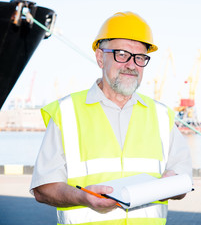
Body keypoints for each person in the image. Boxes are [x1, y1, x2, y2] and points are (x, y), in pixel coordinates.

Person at [30, 12, 192, 225]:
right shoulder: (66, 112)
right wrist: (83, 198)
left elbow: (182, 182)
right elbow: (43, 189)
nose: (132, 65)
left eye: (140, 57)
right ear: (100, 57)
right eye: (122, 54)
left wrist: (173, 184)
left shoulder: (162, 115)